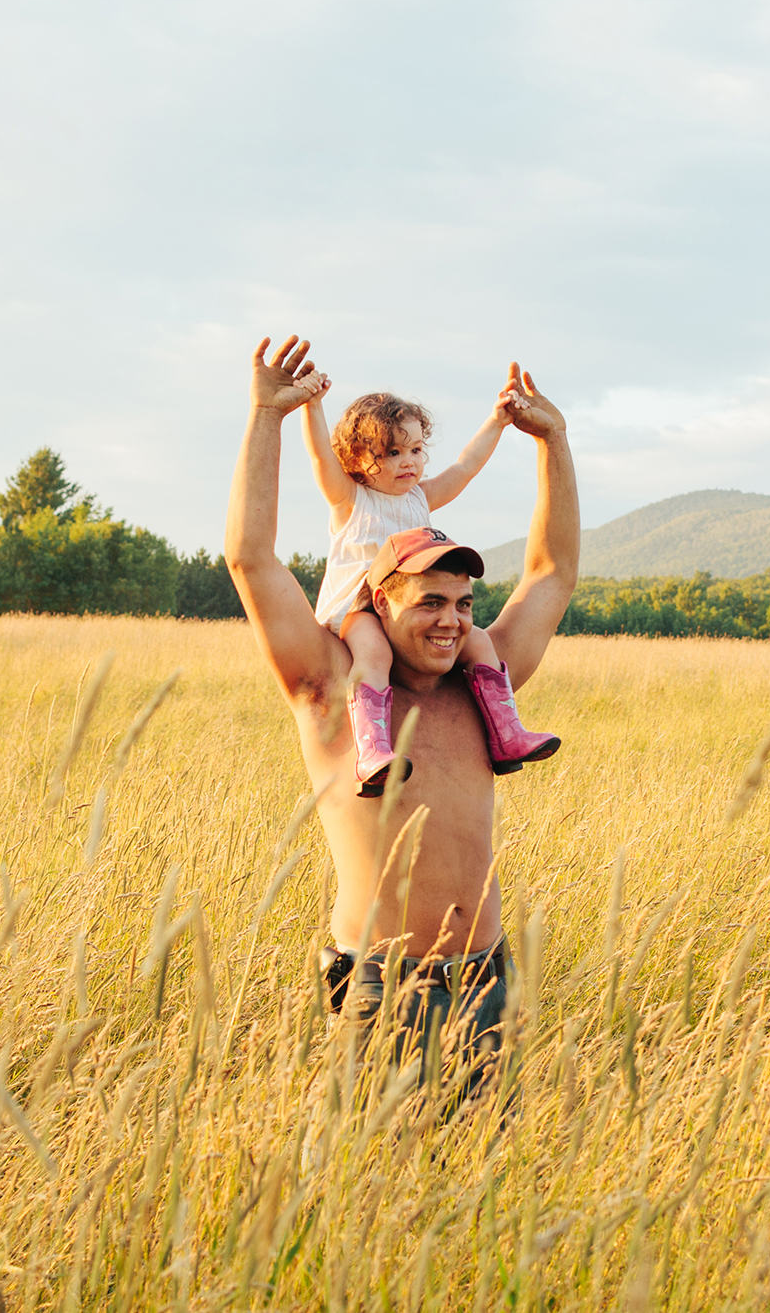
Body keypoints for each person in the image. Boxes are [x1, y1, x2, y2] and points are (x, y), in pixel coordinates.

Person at [223, 335, 580, 1100]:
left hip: (488, 981)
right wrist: (266, 417)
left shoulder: (484, 687)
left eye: (462, 604)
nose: (452, 622)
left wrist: (554, 442)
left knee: (485, 1183)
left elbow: (551, 574)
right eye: (429, 603)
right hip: (382, 988)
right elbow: (251, 559)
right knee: (375, 1186)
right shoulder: (329, 683)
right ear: (378, 601)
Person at [298, 384, 559, 795]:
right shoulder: (350, 500)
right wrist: (311, 405)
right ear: (357, 459)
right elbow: (318, 458)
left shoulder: (420, 498)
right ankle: (373, 750)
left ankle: (507, 735)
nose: (409, 463)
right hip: (358, 610)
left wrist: (498, 420)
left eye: (417, 451)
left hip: (408, 609)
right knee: (374, 651)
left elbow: (465, 466)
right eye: (392, 453)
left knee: (478, 640)